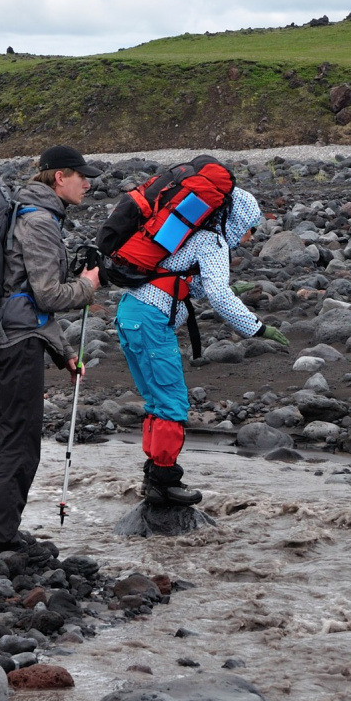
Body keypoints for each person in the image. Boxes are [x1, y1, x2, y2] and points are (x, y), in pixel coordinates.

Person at [116, 186, 286, 506]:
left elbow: (179, 277)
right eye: (251, 227)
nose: (250, 236)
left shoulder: (183, 234)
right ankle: (164, 480)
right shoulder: (213, 240)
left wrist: (232, 286)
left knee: (156, 401)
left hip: (129, 315)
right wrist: (258, 328)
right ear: (238, 220)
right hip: (151, 323)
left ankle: (153, 474)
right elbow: (219, 297)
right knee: (172, 404)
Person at [0, 144, 100, 555]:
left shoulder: (31, 213)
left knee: (9, 433)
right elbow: (47, 296)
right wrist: (88, 286)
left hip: (12, 336)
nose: (88, 183)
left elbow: (27, 299)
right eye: (80, 175)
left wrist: (63, 351)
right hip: (16, 342)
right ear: (57, 177)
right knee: (19, 439)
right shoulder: (39, 220)